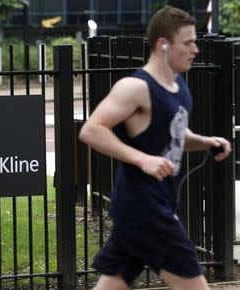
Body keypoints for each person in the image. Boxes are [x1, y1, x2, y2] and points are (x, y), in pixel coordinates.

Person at [78, 6, 232, 290]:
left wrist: (205, 142)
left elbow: (174, 134)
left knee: (112, 284)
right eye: (188, 43)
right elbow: (91, 130)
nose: (195, 49)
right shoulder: (136, 87)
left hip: (148, 206)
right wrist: (142, 159)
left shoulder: (178, 86)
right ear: (163, 45)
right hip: (145, 209)